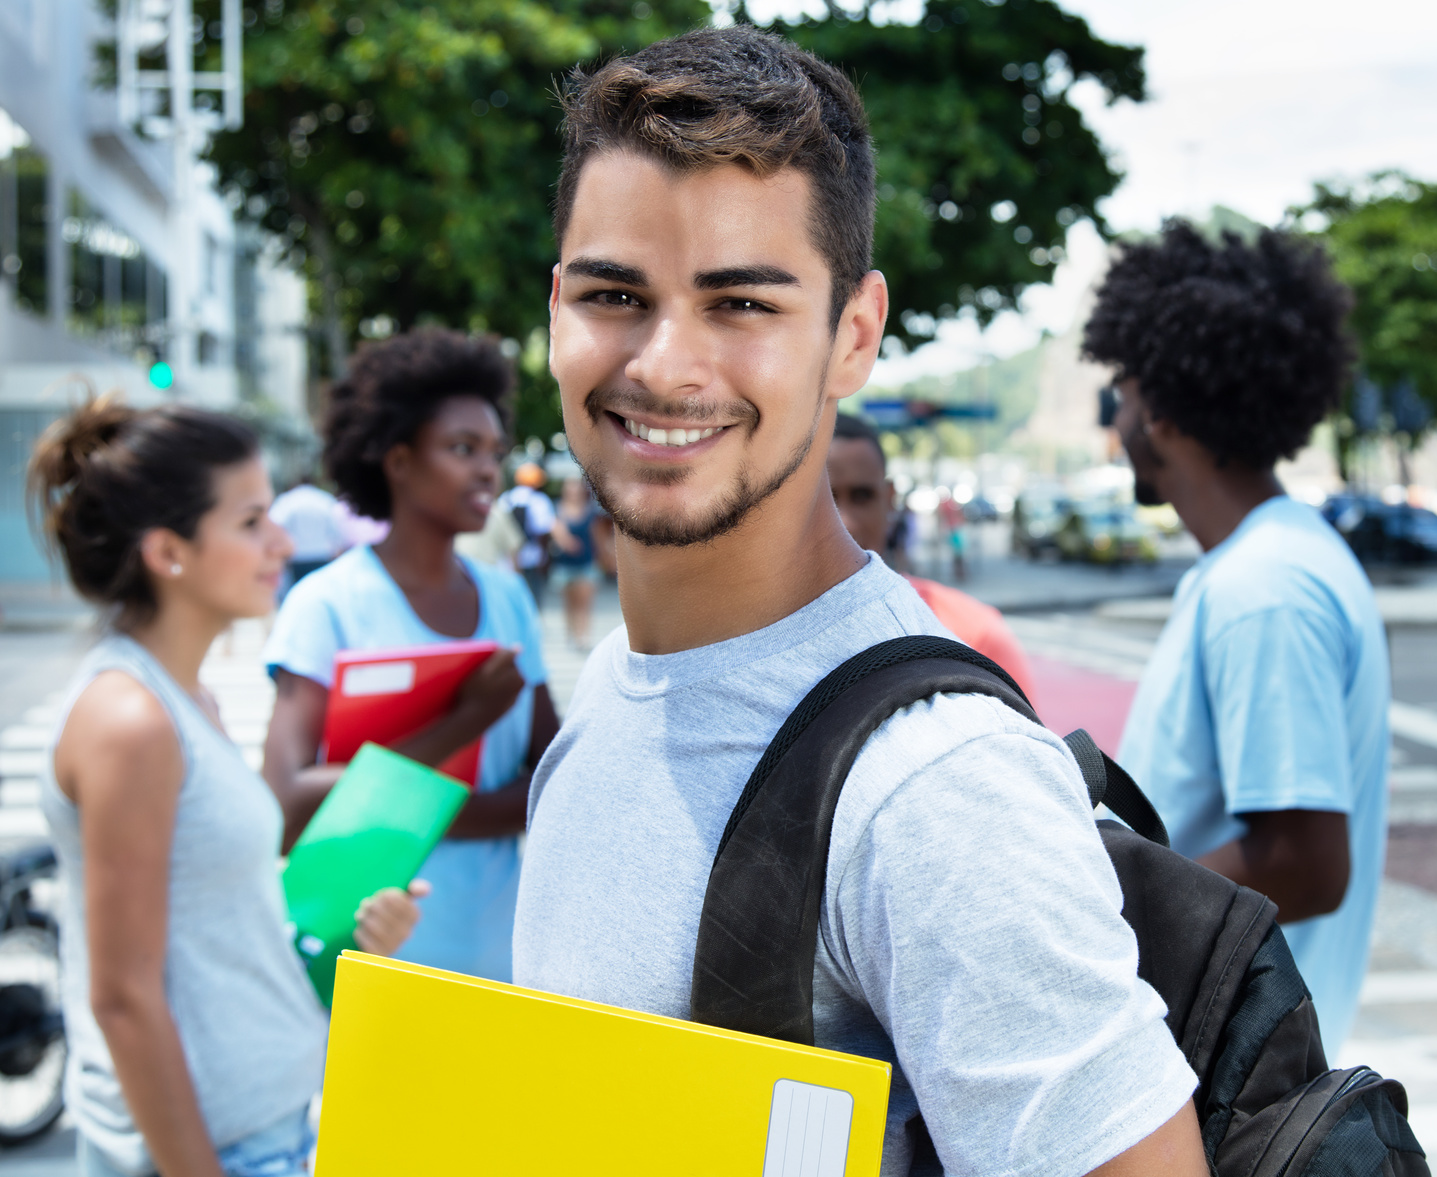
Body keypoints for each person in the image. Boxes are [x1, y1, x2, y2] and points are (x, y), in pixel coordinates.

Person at [513, 28, 1204, 1177]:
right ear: (555, 313)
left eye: (741, 303)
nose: (665, 364)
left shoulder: (933, 785)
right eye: (614, 294)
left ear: (854, 337)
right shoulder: (614, 687)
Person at [29, 398, 423, 1177]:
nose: (283, 541)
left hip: (263, 1124)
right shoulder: (132, 721)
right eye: (250, 522)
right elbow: (123, 997)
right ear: (168, 552)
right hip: (216, 1149)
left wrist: (352, 927)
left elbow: (202, 923)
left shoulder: (185, 697)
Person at [1084, 221, 1390, 1059]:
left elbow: (1302, 863)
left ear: (1161, 407)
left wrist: (1085, 907)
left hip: (1228, 1075)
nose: (1119, 417)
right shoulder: (1273, 560)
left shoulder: (1264, 588)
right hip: (1225, 1049)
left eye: (1122, 391)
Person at [262, 328, 561, 983]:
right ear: (397, 461)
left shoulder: (507, 598)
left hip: (500, 958)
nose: (487, 470)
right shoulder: (327, 604)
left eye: (494, 451)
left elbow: (554, 784)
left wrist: (384, 811)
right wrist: (466, 722)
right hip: (366, 964)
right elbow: (286, 806)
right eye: (462, 448)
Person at [829, 412, 1038, 707]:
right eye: (824, 498)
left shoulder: (976, 633)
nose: (846, 521)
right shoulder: (763, 637)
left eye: (862, 496)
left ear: (890, 499)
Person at [546, 476, 603, 649]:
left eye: (576, 487)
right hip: (565, 565)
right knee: (570, 603)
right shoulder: (557, 509)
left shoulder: (590, 511)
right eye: (570, 487)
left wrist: (603, 557)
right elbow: (555, 531)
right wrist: (566, 541)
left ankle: (582, 636)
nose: (573, 491)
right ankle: (571, 633)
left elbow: (597, 537)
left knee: (584, 603)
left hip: (586, 563)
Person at [267, 476, 347, 589]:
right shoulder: (324, 499)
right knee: (320, 589)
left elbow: (277, 523)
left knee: (298, 590)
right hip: (322, 554)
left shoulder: (288, 500)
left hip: (298, 556)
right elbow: (337, 528)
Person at [500, 462, 556, 605]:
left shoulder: (506, 498)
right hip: (533, 557)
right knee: (533, 601)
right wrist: (544, 558)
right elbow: (543, 531)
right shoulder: (540, 501)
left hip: (509, 560)